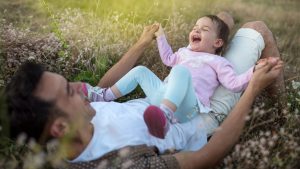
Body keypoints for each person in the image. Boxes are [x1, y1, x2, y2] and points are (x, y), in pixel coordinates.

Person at [5, 11, 285, 168]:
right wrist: (254, 87)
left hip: (171, 90)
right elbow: (207, 157)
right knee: (257, 27)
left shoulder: (83, 113)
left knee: (221, 17)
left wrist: (141, 43)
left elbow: (104, 88)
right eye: (69, 91)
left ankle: (220, 45)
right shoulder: (120, 162)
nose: (79, 89)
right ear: (60, 128)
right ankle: (282, 113)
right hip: (202, 112)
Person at [82, 15, 277, 139]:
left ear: (217, 43)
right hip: (160, 98)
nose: (196, 30)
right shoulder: (184, 53)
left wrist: (253, 72)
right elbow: (168, 58)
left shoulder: (217, 62)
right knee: (141, 71)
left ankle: (165, 117)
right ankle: (103, 96)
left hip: (188, 108)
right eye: (195, 27)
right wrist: (161, 37)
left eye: (204, 29)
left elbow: (233, 84)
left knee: (180, 72)